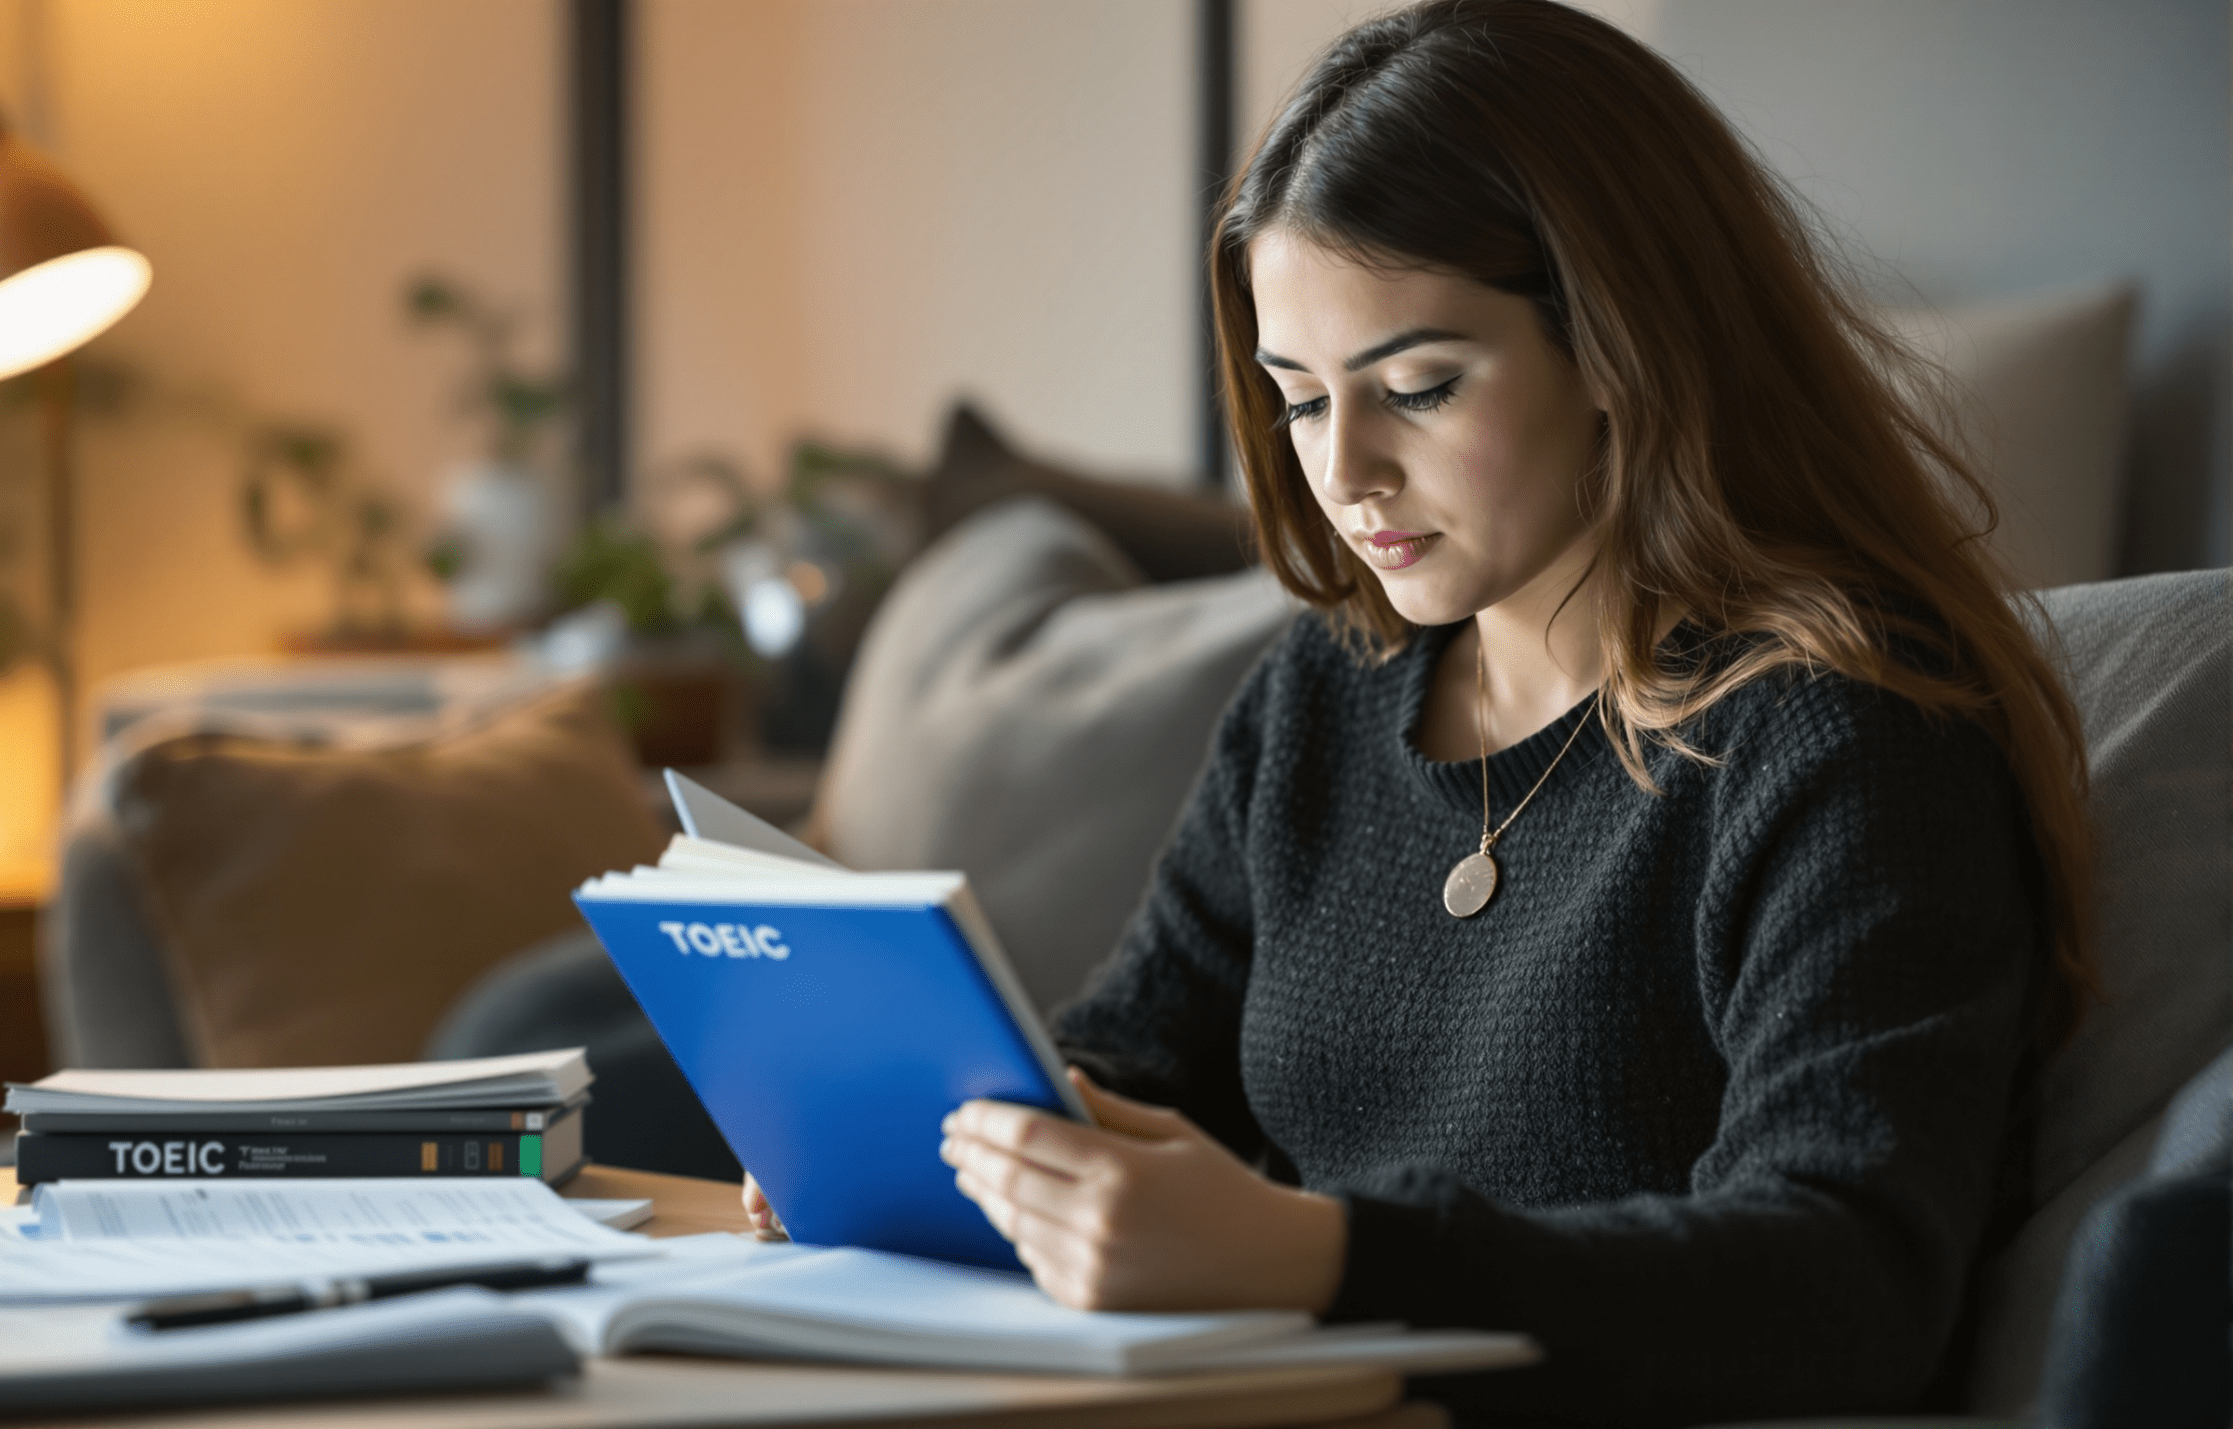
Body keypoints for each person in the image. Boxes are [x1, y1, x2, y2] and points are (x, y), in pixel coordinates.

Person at [753, 1, 2095, 1423]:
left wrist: (1316, 1252)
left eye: (1418, 388)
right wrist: (936, 1151)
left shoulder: (1846, 737)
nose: (1349, 472)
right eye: (1299, 401)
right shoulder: (1327, 695)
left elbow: (1850, 1280)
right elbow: (1134, 1054)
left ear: (1625, 346)